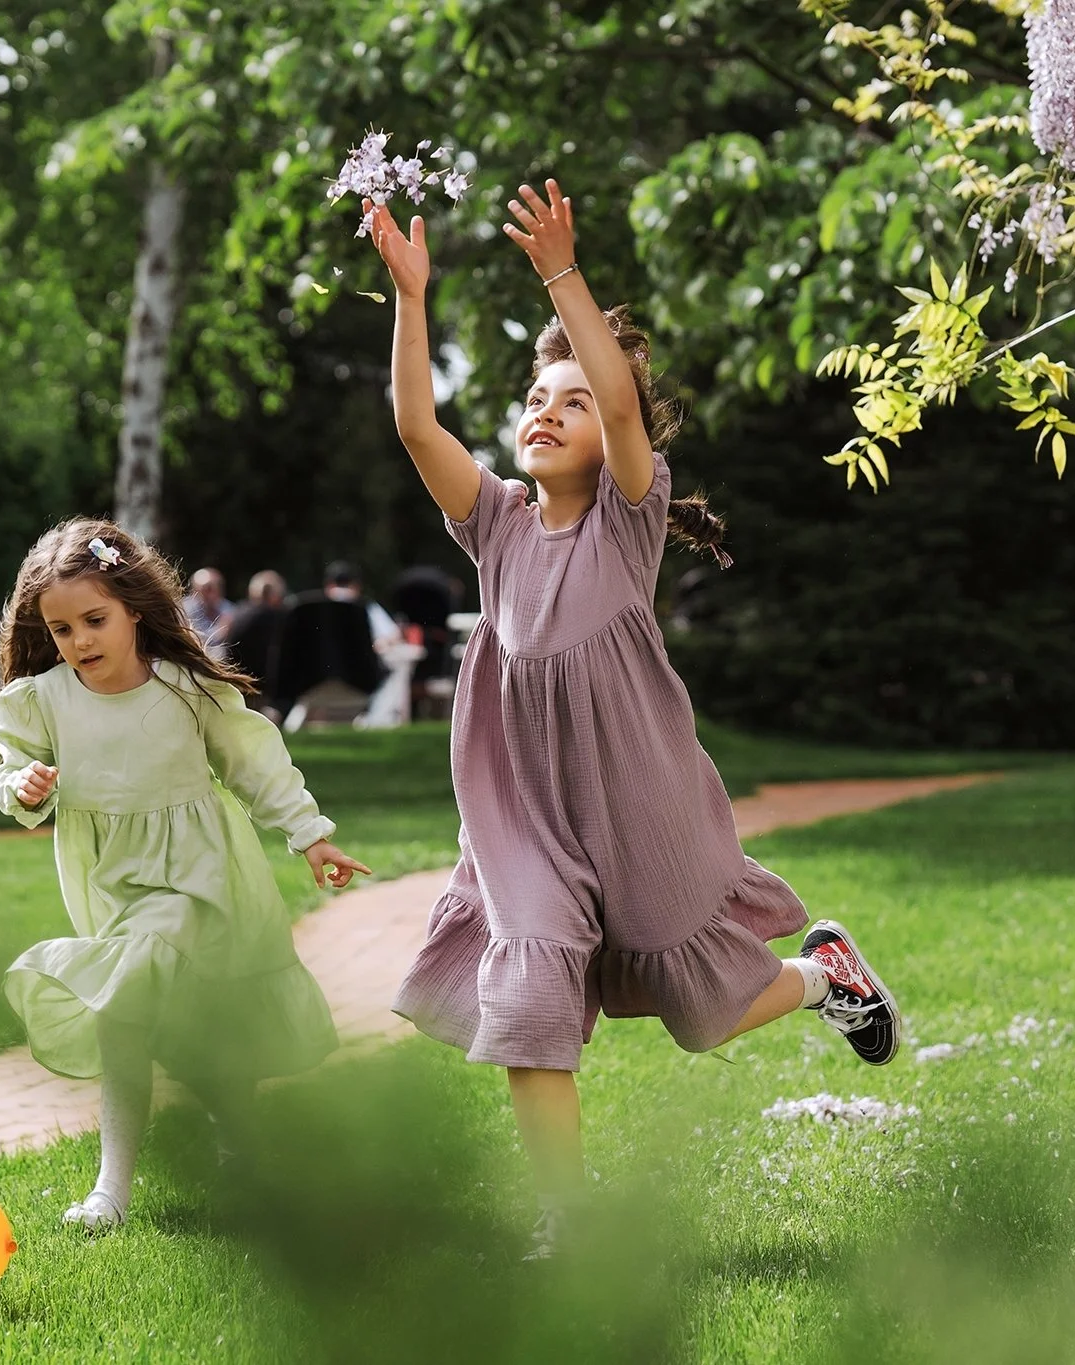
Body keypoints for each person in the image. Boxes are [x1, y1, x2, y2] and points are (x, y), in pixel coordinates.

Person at [367, 179, 901, 1258]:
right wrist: (409, 297)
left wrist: (560, 276)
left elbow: (620, 407)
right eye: (535, 398)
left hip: (634, 797)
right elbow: (414, 421)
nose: (546, 412)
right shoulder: (496, 528)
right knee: (526, 992)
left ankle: (818, 977)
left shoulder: (626, 518)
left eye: (569, 399)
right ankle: (569, 1212)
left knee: (701, 1005)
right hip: (523, 814)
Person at [0, 519, 372, 1233]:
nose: (80, 642)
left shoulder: (185, 690)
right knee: (183, 1023)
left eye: (95, 620)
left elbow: (253, 761)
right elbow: (10, 776)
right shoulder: (44, 701)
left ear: (135, 606)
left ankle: (111, 1186)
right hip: (112, 888)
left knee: (121, 1007)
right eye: (63, 628)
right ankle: (213, 1145)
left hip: (198, 881)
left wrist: (310, 835)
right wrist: (27, 787)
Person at [222, 570, 290, 712]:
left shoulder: (237, 614)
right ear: (275, 595)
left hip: (237, 687)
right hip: (261, 693)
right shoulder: (277, 617)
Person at [321, 561, 399, 651]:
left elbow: (392, 635)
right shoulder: (366, 606)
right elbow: (393, 635)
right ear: (356, 586)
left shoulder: (313, 608)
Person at [182, 567, 236, 655]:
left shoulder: (228, 609)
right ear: (194, 590)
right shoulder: (185, 609)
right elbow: (196, 639)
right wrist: (220, 632)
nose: (211, 593)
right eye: (206, 589)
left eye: (215, 588)